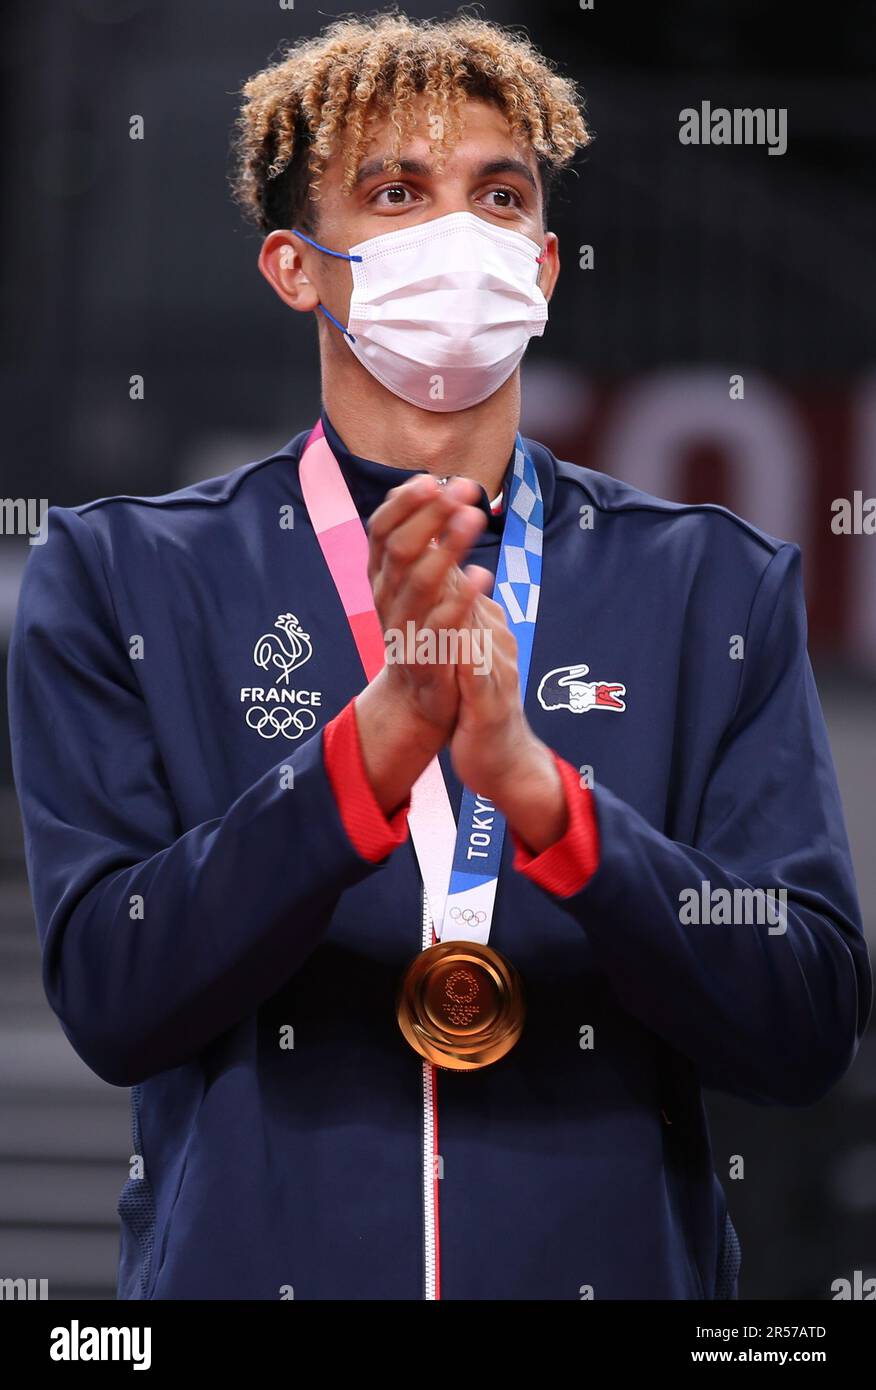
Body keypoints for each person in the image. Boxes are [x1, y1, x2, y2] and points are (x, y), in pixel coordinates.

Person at [8, 12, 871, 1301]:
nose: (455, 235)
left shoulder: (713, 586)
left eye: (498, 195)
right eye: (397, 192)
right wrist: (364, 760)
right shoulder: (126, 574)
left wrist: (547, 801)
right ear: (296, 268)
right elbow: (117, 997)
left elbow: (802, 1028)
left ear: (544, 266)